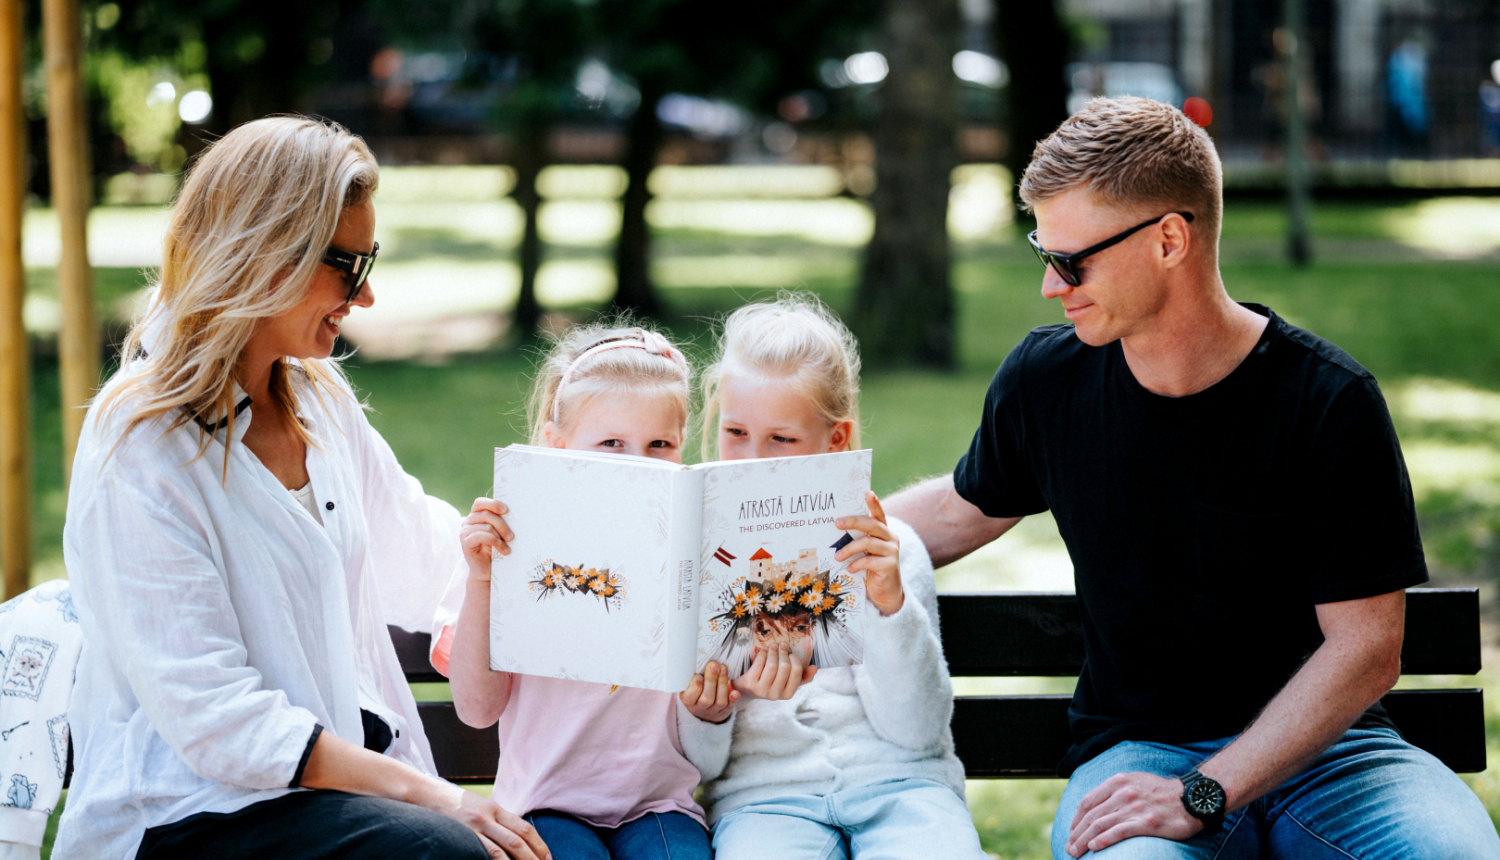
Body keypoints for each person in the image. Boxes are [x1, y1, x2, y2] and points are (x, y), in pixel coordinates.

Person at [888, 97, 1500, 860]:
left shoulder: (1328, 401)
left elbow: (1366, 650)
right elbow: (958, 507)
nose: (1051, 286)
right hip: (1141, 751)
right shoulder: (1046, 382)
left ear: (1170, 240)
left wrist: (1208, 792)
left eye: (1070, 261)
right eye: (1043, 255)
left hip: (1336, 758)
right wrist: (789, 536)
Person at [55, 117, 549, 860]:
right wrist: (437, 795)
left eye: (368, 261)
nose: (367, 294)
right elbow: (219, 722)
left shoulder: (318, 400)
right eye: (347, 265)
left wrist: (587, 591)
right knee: (445, 853)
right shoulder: (140, 444)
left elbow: (424, 552)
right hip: (192, 816)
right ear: (263, 253)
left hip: (331, 802)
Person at [677, 295, 988, 860]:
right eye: (735, 432)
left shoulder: (891, 549)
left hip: (903, 786)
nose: (752, 459)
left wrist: (889, 606)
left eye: (782, 438)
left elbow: (916, 732)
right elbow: (699, 768)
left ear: (837, 440)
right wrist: (711, 709)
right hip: (763, 800)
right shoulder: (694, 564)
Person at [434, 323, 714, 860]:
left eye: (660, 445)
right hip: (545, 806)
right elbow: (476, 709)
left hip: (660, 805)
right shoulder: (506, 545)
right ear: (558, 445)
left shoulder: (690, 545)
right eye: (612, 443)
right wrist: (482, 581)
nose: (637, 462)